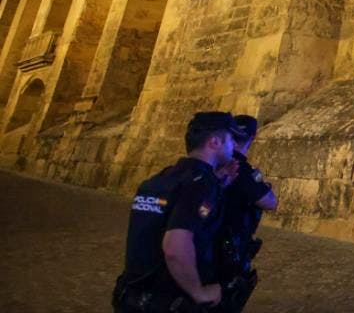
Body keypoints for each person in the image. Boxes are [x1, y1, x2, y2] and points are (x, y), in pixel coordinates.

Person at [113, 111, 242, 312]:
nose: (234, 146)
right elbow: (175, 246)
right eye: (231, 139)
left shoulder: (161, 179)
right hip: (168, 299)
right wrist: (199, 292)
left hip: (133, 295)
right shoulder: (200, 185)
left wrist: (217, 185)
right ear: (215, 142)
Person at [214, 114, 278, 312]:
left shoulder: (212, 164)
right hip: (228, 248)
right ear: (253, 136)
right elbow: (270, 202)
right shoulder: (241, 170)